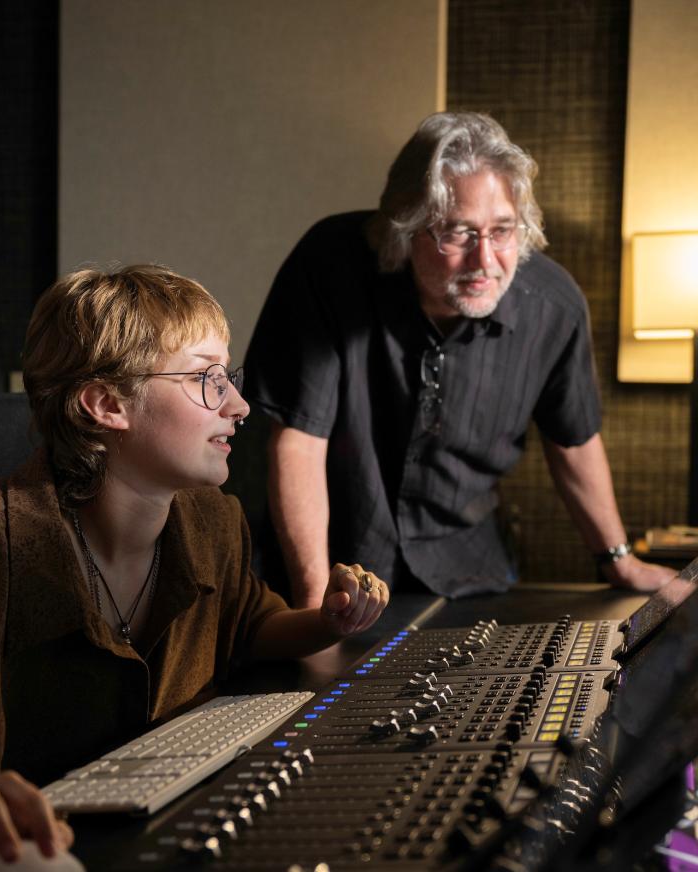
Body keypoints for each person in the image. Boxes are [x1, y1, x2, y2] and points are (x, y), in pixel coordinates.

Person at [0, 265, 388, 870]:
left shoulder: (213, 520)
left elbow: (247, 623)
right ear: (106, 404)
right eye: (206, 379)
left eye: (230, 378)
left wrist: (328, 622)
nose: (241, 405)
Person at [243, 111, 674, 609]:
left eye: (503, 232)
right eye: (458, 233)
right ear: (405, 229)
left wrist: (618, 558)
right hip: (331, 563)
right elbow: (298, 441)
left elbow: (573, 441)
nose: (485, 261)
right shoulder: (328, 265)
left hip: (467, 572)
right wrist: (317, 613)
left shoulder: (554, 307)